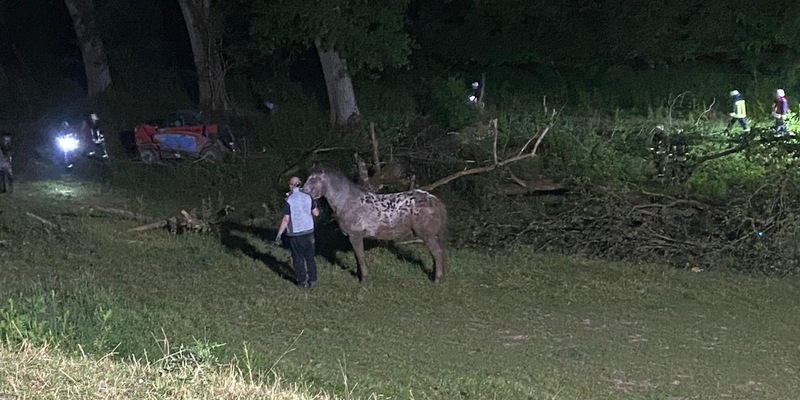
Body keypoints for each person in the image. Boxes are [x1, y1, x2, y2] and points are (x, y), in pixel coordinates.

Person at [275, 176, 320, 289]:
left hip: (296, 234)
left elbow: (286, 219)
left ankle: (302, 282)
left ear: (291, 185)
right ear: (301, 184)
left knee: (298, 258)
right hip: (309, 232)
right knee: (310, 257)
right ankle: (313, 280)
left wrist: (279, 234)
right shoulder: (308, 196)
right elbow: (316, 213)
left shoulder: (289, 200)